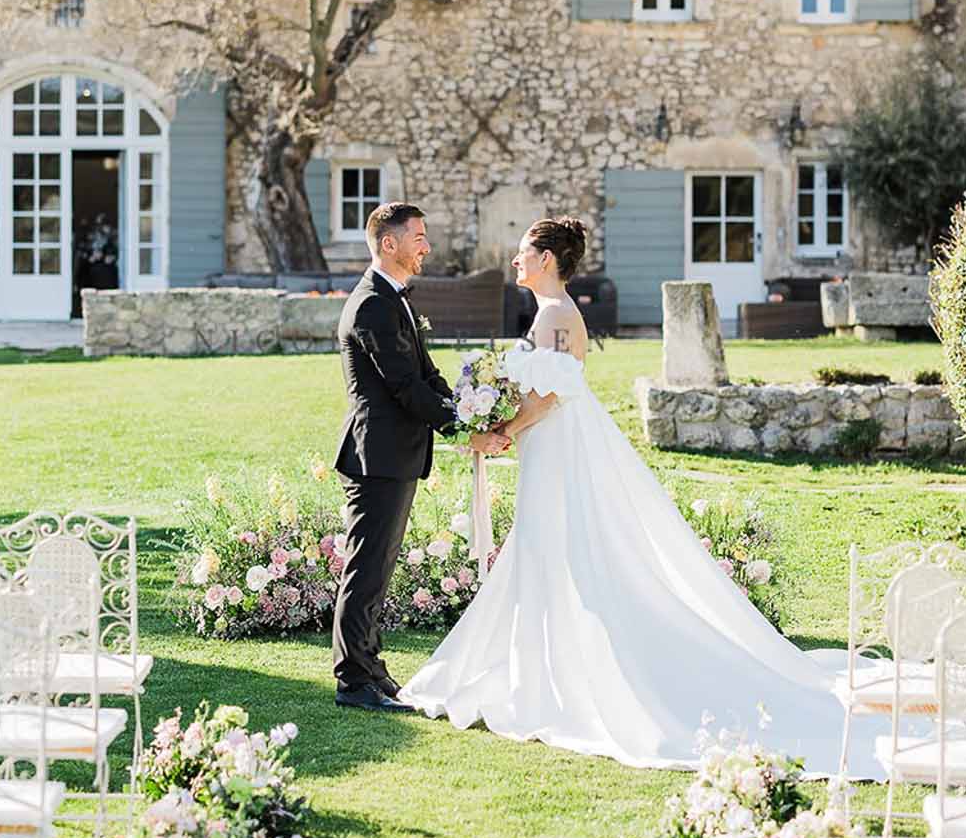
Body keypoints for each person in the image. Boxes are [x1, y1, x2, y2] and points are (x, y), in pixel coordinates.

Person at [402, 215, 846, 773]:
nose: (515, 261)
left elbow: (553, 395)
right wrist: (499, 413)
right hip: (547, 448)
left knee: (560, 547)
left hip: (559, 449)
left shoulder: (559, 316)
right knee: (542, 549)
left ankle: (564, 676)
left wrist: (503, 429)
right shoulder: (548, 314)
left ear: (545, 260)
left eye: (522, 253)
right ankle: (543, 667)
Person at [331, 202, 475, 712]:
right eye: (418, 237)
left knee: (379, 568)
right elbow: (403, 387)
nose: (426, 246)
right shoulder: (371, 304)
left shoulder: (395, 300)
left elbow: (427, 375)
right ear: (388, 244)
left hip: (397, 455)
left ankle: (371, 666)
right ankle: (353, 681)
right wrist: (463, 430)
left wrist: (470, 413)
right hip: (377, 457)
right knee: (366, 569)